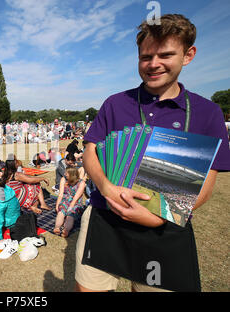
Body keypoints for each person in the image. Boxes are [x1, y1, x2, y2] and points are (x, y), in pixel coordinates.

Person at [75, 14, 230, 293]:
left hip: (165, 227)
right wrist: (106, 187)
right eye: (146, 57)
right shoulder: (115, 103)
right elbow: (89, 152)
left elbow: (207, 184)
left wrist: (160, 216)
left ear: (188, 55)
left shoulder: (208, 112)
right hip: (105, 217)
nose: (154, 64)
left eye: (166, 54)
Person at [54, 167, 86, 238]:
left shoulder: (81, 183)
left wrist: (70, 207)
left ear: (72, 174)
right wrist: (57, 205)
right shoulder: (63, 179)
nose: (65, 174)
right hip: (65, 200)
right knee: (61, 212)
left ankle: (66, 230)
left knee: (70, 215)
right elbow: (60, 194)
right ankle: (57, 228)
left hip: (76, 202)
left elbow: (76, 198)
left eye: (67, 173)